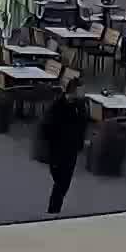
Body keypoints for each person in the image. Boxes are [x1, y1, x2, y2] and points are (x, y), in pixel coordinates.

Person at [43, 75, 89, 214]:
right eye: (81, 91)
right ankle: (53, 209)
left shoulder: (80, 106)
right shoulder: (57, 106)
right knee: (60, 180)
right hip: (57, 149)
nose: (83, 94)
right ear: (73, 91)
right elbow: (48, 128)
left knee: (64, 182)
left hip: (72, 149)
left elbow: (82, 124)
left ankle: (54, 209)